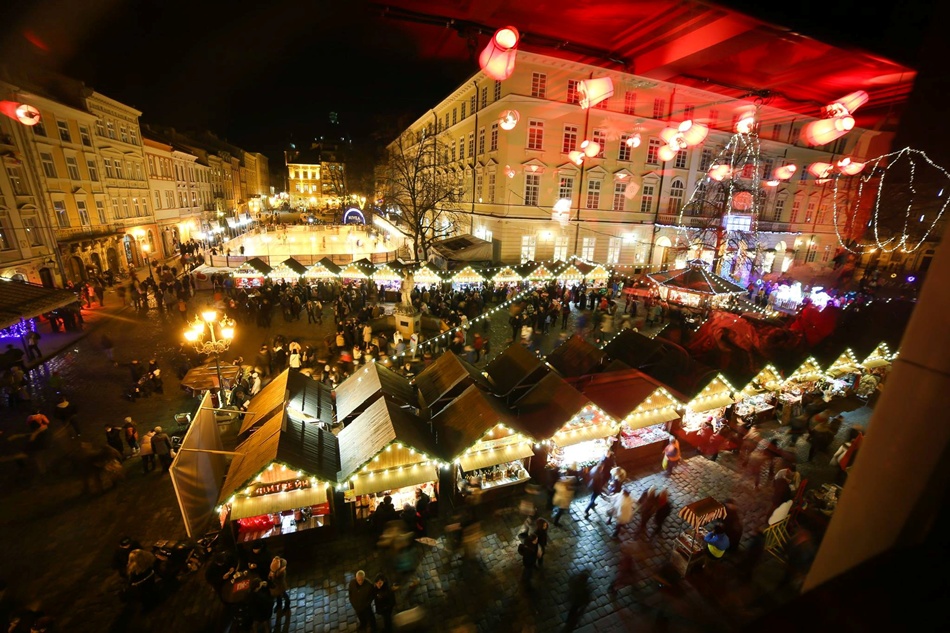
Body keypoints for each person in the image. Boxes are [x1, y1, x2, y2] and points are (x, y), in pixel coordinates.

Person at [268, 556, 291, 626]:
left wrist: (273, 577)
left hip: (281, 586)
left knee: (284, 595)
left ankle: (287, 606)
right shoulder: (275, 568)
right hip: (277, 587)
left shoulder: (282, 571)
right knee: (278, 596)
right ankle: (279, 605)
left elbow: (279, 581)